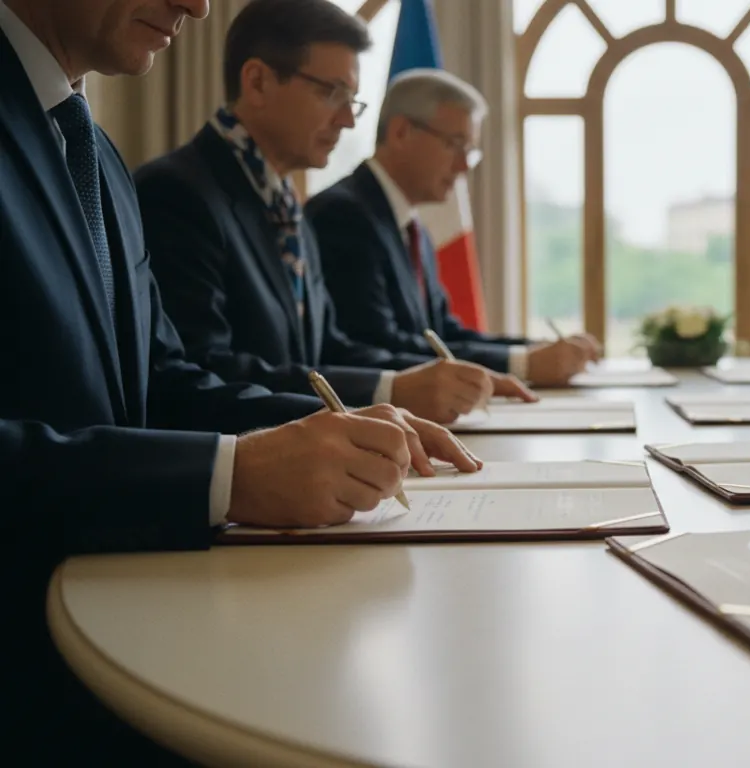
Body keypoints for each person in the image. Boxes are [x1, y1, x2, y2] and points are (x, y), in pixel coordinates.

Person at [0, 0, 480, 760]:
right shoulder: (163, 182)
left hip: (123, 622)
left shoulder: (95, 152)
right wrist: (230, 474)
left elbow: (160, 380)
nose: (195, 5)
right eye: (331, 94)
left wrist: (340, 425)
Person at [136, 0, 522, 423]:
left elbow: (327, 350)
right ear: (258, 82)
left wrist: (409, 385)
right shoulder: (177, 192)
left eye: (352, 100)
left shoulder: (285, 204)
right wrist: (390, 390)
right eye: (331, 92)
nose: (347, 121)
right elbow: (202, 370)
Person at [308, 68, 599, 388]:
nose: (463, 167)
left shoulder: (410, 225)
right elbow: (377, 346)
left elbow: (443, 334)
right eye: (455, 144)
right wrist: (522, 364)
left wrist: (535, 351)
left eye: (469, 152)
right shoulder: (342, 215)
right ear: (401, 132)